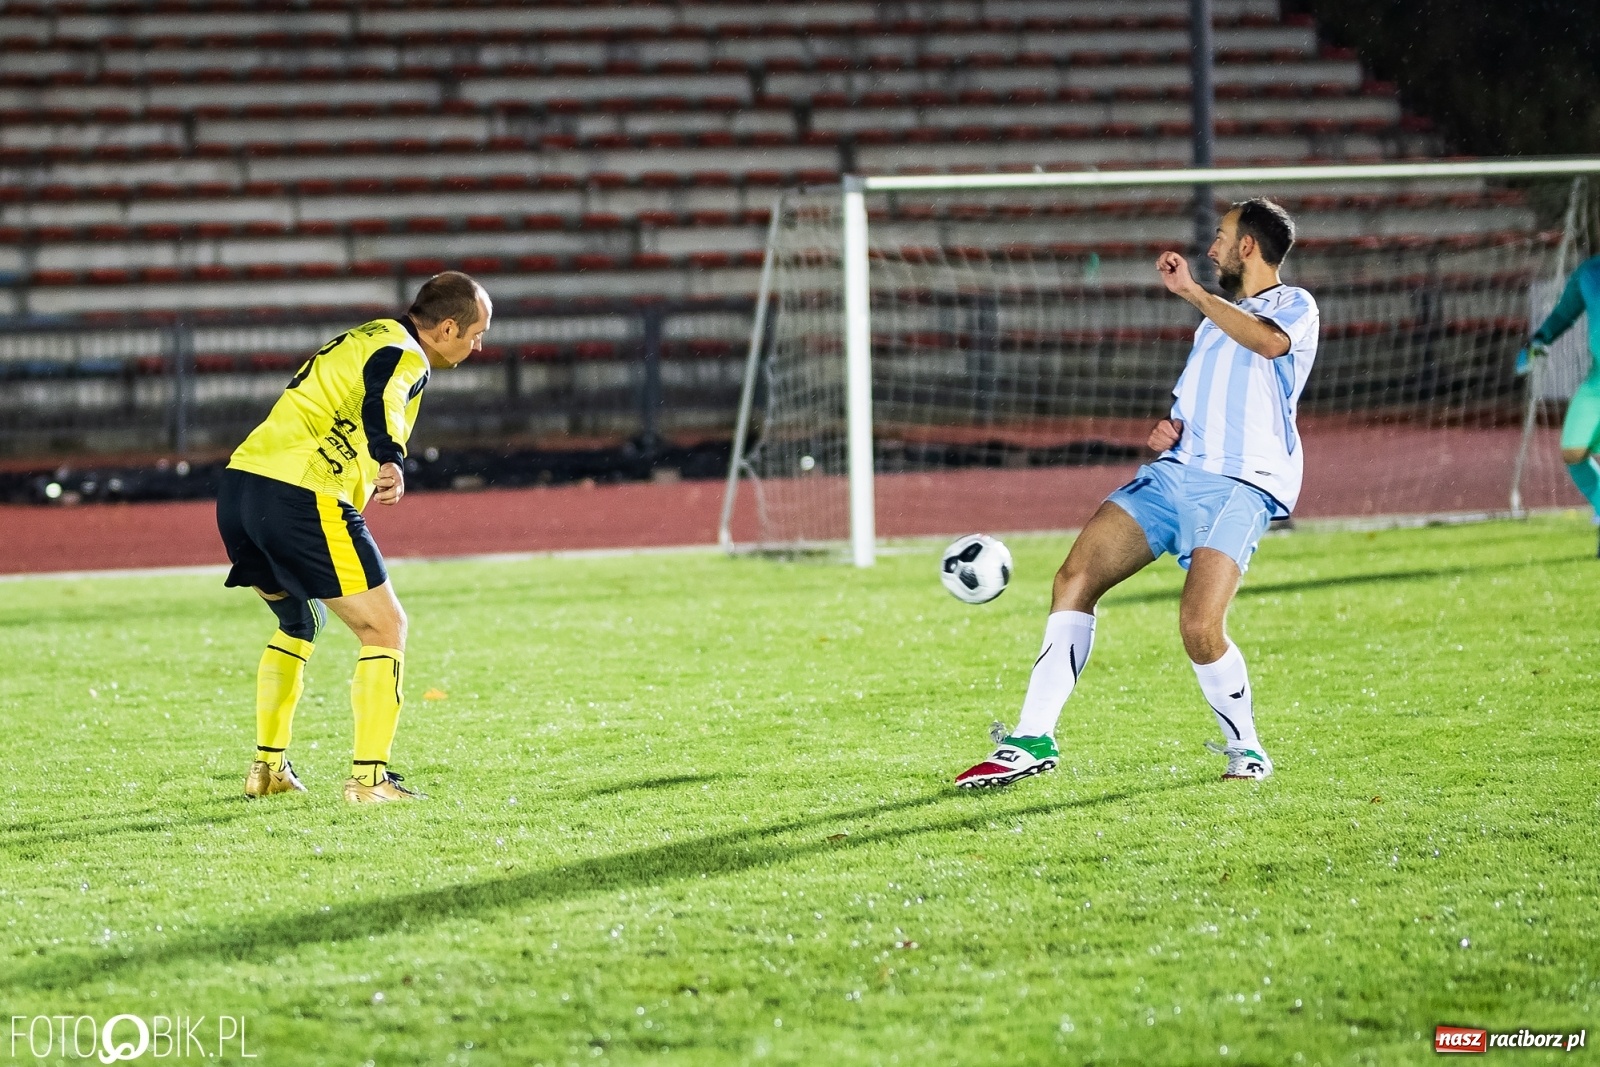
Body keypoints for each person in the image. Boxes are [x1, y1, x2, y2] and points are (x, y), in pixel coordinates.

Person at [956, 200, 1319, 788]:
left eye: (1222, 237)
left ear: (1248, 246)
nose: (1212, 248)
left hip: (1240, 485)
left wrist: (1194, 292)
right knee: (1074, 577)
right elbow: (1203, 400)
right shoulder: (1213, 324)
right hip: (1176, 473)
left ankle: (1246, 748)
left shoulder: (1294, 305)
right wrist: (1171, 426)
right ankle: (1032, 738)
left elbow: (1269, 346)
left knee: (1199, 628)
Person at [216, 271, 491, 802]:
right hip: (302, 495)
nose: (480, 344)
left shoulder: (366, 334)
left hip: (241, 490)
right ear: (448, 328)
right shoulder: (404, 354)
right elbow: (381, 398)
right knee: (386, 628)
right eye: (477, 332)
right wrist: (391, 456)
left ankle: (268, 769)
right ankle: (369, 780)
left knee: (298, 618)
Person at [1517, 255, 1600, 553]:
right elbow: (1564, 315)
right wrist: (1540, 340)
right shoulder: (1590, 272)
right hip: (1597, 383)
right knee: (1573, 451)